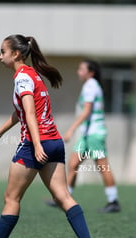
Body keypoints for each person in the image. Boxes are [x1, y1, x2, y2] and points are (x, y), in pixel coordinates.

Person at [0, 35, 99, 238]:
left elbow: (29, 113)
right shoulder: (33, 75)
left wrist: (36, 145)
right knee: (63, 196)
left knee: (11, 198)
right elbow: (21, 113)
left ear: (16, 54)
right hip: (55, 142)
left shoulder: (22, 78)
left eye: (2, 52)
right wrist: (0, 132)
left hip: (35, 145)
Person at [54, 59, 121, 213]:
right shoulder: (89, 85)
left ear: (91, 72)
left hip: (94, 134)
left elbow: (86, 111)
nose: (79, 71)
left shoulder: (91, 86)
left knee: (102, 166)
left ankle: (113, 201)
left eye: (81, 69)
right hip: (86, 134)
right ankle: (64, 198)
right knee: (73, 163)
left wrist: (71, 129)